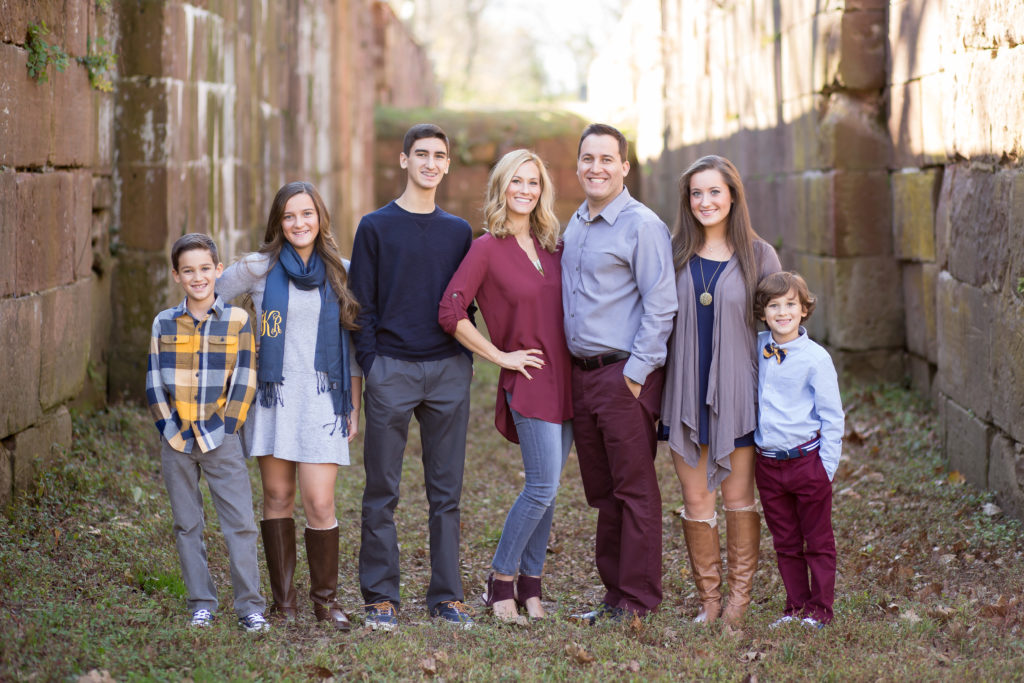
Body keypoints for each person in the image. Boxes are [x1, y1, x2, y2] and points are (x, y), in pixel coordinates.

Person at [217, 181, 362, 631]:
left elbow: (354, 346)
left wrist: (352, 405)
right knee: (278, 496)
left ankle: (326, 601)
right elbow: (212, 293)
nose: (299, 223)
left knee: (320, 502)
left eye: (307, 214)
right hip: (273, 399)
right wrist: (236, 357)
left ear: (320, 218)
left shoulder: (343, 270)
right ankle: (284, 604)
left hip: (323, 399)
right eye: (289, 216)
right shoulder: (258, 268)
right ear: (278, 223)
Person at [438, 149, 573, 623]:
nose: (525, 190)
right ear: (501, 186)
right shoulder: (485, 249)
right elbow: (451, 312)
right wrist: (501, 356)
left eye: (533, 182)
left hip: (568, 379)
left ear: (542, 190)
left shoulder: (553, 243)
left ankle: (531, 588)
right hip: (530, 378)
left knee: (551, 488)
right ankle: (499, 584)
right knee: (539, 485)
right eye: (516, 181)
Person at [350, 123, 475, 630]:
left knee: (446, 492)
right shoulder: (375, 227)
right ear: (403, 161)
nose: (429, 162)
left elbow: (472, 302)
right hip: (392, 371)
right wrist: (374, 367)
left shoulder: (459, 232)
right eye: (420, 154)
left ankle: (447, 596)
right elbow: (360, 307)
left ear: (447, 165)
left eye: (439, 155)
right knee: (382, 489)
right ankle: (381, 596)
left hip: (447, 370)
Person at [562, 124, 678, 622]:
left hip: (623, 377)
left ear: (625, 167)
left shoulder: (641, 225)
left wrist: (635, 374)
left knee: (634, 489)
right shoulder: (576, 222)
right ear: (578, 166)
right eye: (588, 158)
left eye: (607, 159)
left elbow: (662, 304)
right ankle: (613, 596)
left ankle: (638, 598)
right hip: (581, 377)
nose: (596, 168)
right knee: (603, 493)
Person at [660, 155, 782, 627]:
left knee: (738, 501)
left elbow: (779, 325)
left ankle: (738, 602)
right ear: (687, 201)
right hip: (685, 392)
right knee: (696, 503)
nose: (705, 201)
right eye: (696, 193)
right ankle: (709, 602)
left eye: (714, 191)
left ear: (732, 195)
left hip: (738, 396)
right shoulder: (672, 254)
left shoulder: (759, 255)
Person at [145, 232, 268, 633]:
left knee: (240, 523)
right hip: (176, 440)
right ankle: (202, 602)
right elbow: (153, 383)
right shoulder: (164, 322)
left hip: (221, 438)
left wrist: (227, 427)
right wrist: (169, 428)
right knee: (187, 524)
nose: (197, 277)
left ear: (218, 270)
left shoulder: (237, 320)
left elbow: (245, 379)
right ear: (177, 276)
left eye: (204, 269)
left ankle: (249, 606)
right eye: (188, 271)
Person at [753, 271, 844, 629]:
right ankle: (795, 607)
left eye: (791, 304)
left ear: (804, 310)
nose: (782, 312)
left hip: (807, 462)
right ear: (763, 313)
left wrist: (826, 468)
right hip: (768, 463)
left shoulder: (816, 359)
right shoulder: (757, 347)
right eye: (774, 306)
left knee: (817, 540)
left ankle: (820, 610)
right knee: (785, 540)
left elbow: (832, 416)